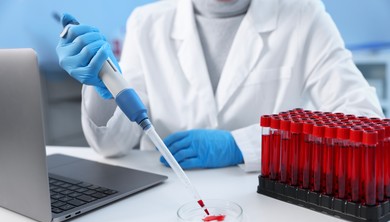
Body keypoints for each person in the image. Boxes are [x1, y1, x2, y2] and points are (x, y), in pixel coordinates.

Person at [56, 0, 384, 172]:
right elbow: (114, 145)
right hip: (165, 207)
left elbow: (365, 121)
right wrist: (100, 85)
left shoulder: (304, 16)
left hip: (269, 203)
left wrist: (243, 145)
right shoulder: (147, 23)